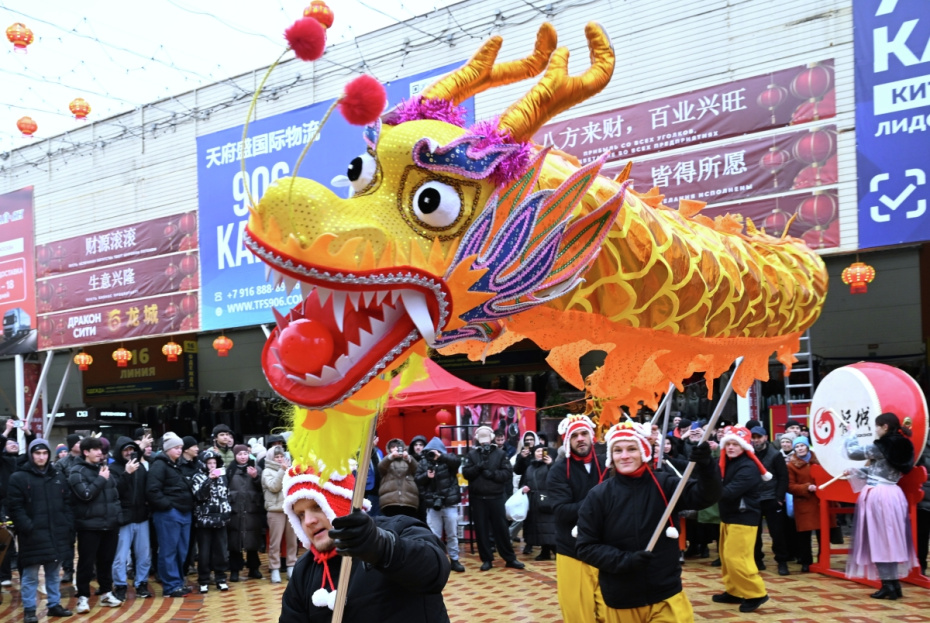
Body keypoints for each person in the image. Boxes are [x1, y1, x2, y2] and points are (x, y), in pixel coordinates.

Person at [576, 422, 720, 621]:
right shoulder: (598, 495)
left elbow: (706, 496)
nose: (624, 455)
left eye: (632, 448)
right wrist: (626, 561)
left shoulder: (666, 484)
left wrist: (706, 466)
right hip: (621, 599)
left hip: (666, 594)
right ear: (611, 456)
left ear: (643, 451)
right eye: (618, 450)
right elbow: (586, 546)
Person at [279, 466, 451, 621]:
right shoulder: (304, 571)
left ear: (340, 503)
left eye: (317, 506)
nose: (308, 521)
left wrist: (382, 548)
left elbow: (435, 571)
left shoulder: (398, 528)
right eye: (300, 514)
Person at [844, 412, 918, 599]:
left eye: (877, 426)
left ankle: (889, 585)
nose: (875, 430)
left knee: (878, 540)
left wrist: (850, 434)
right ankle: (893, 586)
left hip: (878, 495)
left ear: (885, 427)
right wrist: (859, 472)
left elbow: (853, 452)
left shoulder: (883, 445)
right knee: (890, 541)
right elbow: (883, 469)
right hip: (893, 494)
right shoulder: (905, 444)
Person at [547, 414, 609, 623]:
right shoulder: (558, 471)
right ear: (567, 440)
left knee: (611, 612)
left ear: (592, 436)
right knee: (578, 615)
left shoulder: (606, 465)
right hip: (572, 550)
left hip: (606, 549)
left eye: (584, 433)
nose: (580, 438)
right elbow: (562, 510)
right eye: (574, 435)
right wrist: (598, 501)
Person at [7, 438, 75, 622]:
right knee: (30, 576)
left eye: (44, 453)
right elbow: (15, 507)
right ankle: (30, 610)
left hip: (56, 533)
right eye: (37, 453)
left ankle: (54, 605)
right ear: (31, 454)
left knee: (54, 574)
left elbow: (67, 503)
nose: (41, 457)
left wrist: (68, 524)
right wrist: (27, 527)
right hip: (32, 535)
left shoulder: (58, 477)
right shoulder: (19, 477)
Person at [713, 426, 771, 613]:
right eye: (728, 444)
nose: (730, 447)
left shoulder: (748, 467)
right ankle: (734, 590)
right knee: (726, 557)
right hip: (728, 516)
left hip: (744, 518)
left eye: (735, 444)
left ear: (743, 446)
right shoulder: (725, 462)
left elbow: (729, 492)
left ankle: (756, 593)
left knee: (737, 559)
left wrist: (706, 493)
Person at [69, 436, 123, 613]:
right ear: (86, 452)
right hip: (88, 526)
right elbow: (85, 495)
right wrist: (100, 479)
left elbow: (115, 496)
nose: (101, 452)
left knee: (106, 561)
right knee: (86, 562)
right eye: (96, 449)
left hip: (110, 524)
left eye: (101, 449)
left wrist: (117, 517)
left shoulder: (104, 469)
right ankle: (83, 597)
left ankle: (106, 592)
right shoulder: (76, 471)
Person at [462, 426, 524, 571]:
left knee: (502, 529)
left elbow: (507, 473)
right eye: (482, 441)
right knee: (482, 530)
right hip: (478, 498)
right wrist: (478, 467)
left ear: (491, 439)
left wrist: (493, 474)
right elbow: (466, 473)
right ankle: (486, 559)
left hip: (496, 497)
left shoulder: (500, 454)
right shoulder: (472, 455)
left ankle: (510, 558)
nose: (484, 444)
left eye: (486, 441)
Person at [146, 432, 196, 597]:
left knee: (182, 550)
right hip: (169, 514)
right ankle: (170, 586)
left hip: (184, 512)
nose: (179, 451)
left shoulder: (177, 465)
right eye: (176, 448)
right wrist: (168, 507)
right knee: (169, 551)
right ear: (167, 449)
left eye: (181, 447)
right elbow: (152, 490)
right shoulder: (159, 465)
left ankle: (178, 582)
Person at [110, 437, 153, 601]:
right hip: (123, 519)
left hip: (142, 517)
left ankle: (141, 583)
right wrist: (126, 474)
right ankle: (120, 585)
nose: (129, 453)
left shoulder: (141, 468)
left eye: (131, 449)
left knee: (144, 554)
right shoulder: (114, 468)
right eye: (125, 450)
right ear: (119, 452)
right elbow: (115, 491)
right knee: (120, 556)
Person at [414, 437, 464, 572]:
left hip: (449, 503)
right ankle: (437, 560)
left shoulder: (448, 460)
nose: (432, 454)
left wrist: (441, 457)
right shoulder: (424, 462)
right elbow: (417, 480)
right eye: (430, 451)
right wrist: (426, 476)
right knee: (434, 535)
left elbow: (457, 462)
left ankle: (454, 560)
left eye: (435, 451)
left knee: (452, 533)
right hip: (432, 504)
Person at [749, 426, 790, 575]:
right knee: (754, 532)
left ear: (765, 437)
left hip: (772, 498)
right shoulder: (749, 454)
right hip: (753, 499)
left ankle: (782, 561)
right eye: (753, 437)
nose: (756, 440)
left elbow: (783, 477)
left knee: (777, 532)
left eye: (758, 437)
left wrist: (779, 498)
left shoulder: (775, 455)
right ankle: (757, 559)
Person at [190, 449, 231, 593]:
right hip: (204, 521)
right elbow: (200, 496)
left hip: (220, 519)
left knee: (221, 550)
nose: (212, 466)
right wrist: (209, 479)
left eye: (214, 463)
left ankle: (221, 578)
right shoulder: (197, 477)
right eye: (209, 463)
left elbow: (226, 495)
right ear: (203, 464)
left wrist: (227, 512)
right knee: (204, 552)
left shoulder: (223, 477)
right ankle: (204, 579)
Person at [786, 436, 826, 572]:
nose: (800, 448)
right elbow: (790, 486)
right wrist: (806, 488)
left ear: (807, 446)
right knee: (804, 535)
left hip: (821, 502)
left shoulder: (820, 460)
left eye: (802, 445)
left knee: (823, 533)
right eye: (797, 447)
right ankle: (806, 561)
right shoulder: (791, 465)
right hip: (804, 502)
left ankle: (823, 560)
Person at [227, 444, 265, 582]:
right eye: (239, 454)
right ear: (235, 456)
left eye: (245, 454)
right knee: (234, 541)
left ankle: (254, 568)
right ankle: (235, 570)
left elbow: (264, 487)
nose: (243, 457)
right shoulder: (230, 470)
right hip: (234, 511)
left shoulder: (256, 468)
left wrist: (255, 477)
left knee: (252, 540)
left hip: (252, 510)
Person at [262, 445, 299, 583]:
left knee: (292, 541)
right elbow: (273, 487)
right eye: (276, 457)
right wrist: (282, 471)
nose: (279, 459)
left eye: (281, 456)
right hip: (275, 510)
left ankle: (291, 565)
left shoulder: (289, 470)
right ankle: (275, 568)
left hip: (290, 509)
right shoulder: (267, 471)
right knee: (275, 542)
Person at [521, 444, 557, 561]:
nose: (540, 453)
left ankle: (556, 550)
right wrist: (525, 487)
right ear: (534, 453)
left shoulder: (550, 465)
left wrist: (551, 464)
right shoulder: (530, 468)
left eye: (543, 451)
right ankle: (545, 551)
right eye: (538, 451)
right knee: (540, 527)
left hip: (547, 498)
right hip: (534, 500)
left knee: (549, 526)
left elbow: (557, 477)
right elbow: (525, 481)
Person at [56, 433, 83, 584]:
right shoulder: (62, 463)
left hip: (85, 505)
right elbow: (59, 483)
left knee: (86, 540)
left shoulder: (86, 460)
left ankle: (90, 568)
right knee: (68, 541)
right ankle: (67, 570)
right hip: (69, 506)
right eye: (78, 442)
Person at [378, 439, 421, 518]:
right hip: (390, 501)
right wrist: (390, 457)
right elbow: (381, 468)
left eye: (398, 447)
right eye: (392, 447)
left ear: (403, 448)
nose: (395, 449)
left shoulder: (409, 459)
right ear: (389, 449)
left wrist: (408, 458)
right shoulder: (386, 460)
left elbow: (417, 470)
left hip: (409, 501)